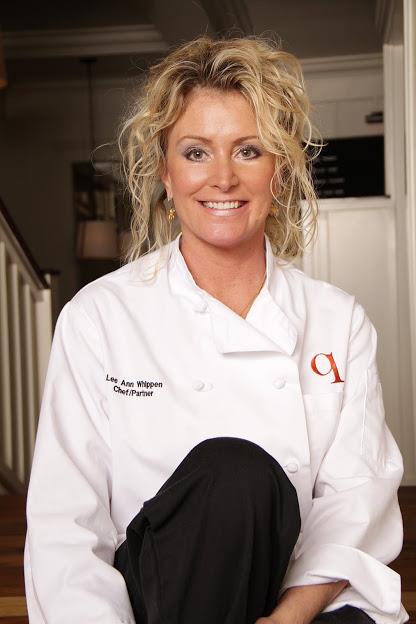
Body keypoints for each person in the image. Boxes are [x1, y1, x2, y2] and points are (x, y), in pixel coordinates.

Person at [24, 35, 409, 624]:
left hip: (300, 600)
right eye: (196, 152)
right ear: (165, 170)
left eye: (249, 150)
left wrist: (287, 618)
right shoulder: (99, 317)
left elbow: (357, 503)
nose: (223, 178)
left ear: (279, 171)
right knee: (234, 475)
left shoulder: (338, 320)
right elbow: (66, 525)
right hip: (156, 601)